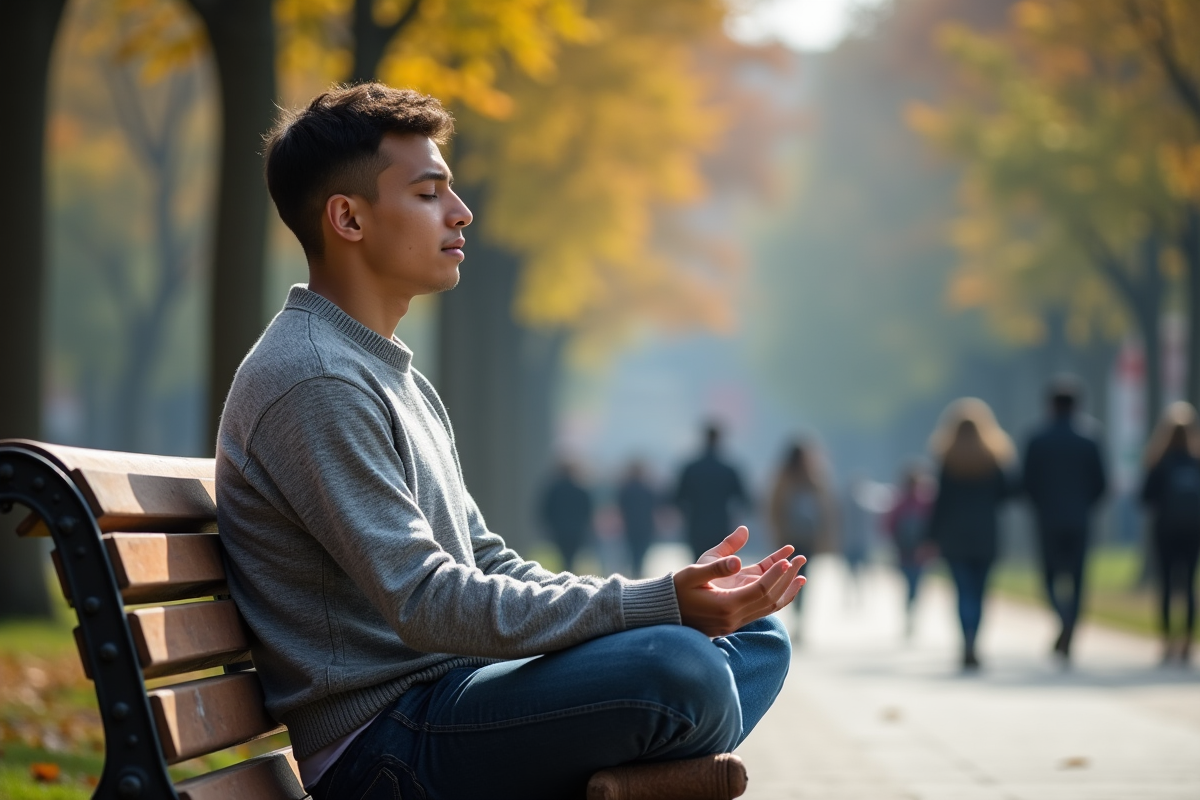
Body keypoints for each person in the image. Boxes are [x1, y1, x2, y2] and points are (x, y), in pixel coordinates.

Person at [214, 83, 806, 800]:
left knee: (751, 640)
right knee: (681, 671)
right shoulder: (314, 379)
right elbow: (428, 601)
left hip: (453, 697)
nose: (461, 213)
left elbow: (484, 559)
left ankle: (631, 748)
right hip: (387, 746)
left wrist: (666, 598)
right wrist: (654, 609)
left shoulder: (386, 372)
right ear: (348, 217)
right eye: (429, 193)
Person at [1021, 377, 1107, 662]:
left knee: (1049, 576)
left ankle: (1063, 618)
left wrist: (1040, 505)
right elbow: (1101, 483)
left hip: (1047, 518)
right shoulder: (1090, 438)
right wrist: (1085, 505)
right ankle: (1071, 623)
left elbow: (1027, 483)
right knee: (1078, 577)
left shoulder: (1037, 439)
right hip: (1079, 518)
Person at [927, 399, 1017, 670]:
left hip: (955, 536)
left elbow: (940, 502)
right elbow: (1007, 494)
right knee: (979, 592)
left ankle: (965, 640)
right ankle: (974, 640)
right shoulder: (993, 458)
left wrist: (931, 535)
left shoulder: (947, 459)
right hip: (985, 535)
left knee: (962, 590)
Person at [1140, 402, 1200, 665]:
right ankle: (1187, 641)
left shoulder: (1159, 462)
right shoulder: (1196, 463)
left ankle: (1167, 641)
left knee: (1165, 585)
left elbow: (1145, 497)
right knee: (1188, 585)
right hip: (1193, 530)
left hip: (1165, 530)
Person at [766, 440, 835, 641]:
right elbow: (823, 510)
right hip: (798, 538)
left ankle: (797, 613)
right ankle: (796, 613)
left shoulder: (794, 478)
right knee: (796, 578)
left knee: (796, 578)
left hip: (798, 538)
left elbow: (774, 508)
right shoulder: (801, 478)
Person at [674, 423, 750, 559]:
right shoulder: (728, 469)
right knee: (719, 565)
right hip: (721, 525)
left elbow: (677, 498)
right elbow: (743, 499)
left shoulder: (691, 468)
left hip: (696, 525)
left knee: (698, 565)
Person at [884, 461, 935, 638]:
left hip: (918, 552)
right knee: (911, 583)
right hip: (905, 551)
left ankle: (911, 610)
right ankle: (910, 610)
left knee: (914, 583)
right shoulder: (905, 502)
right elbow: (890, 526)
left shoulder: (923, 502)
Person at [539, 460, 594, 572]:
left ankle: (566, 571)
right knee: (571, 556)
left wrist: (550, 525)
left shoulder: (554, 490)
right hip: (576, 530)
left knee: (563, 555)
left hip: (559, 529)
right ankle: (569, 571)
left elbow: (546, 509)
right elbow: (587, 510)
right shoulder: (580, 490)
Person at [616, 459, 658, 578]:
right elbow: (654, 508)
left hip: (630, 525)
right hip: (645, 525)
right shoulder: (648, 489)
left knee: (631, 551)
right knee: (641, 552)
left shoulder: (625, 490)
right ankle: (638, 572)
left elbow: (621, 509)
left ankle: (633, 572)